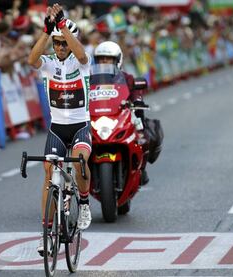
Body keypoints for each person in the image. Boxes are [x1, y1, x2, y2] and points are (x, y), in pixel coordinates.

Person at [27, 3, 92, 256]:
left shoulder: (82, 61)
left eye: (64, 43)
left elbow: (82, 55)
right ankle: (46, 234)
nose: (60, 47)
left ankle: (84, 202)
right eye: (57, 43)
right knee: (48, 177)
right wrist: (47, 31)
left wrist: (64, 28)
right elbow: (32, 59)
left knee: (79, 162)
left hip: (80, 126)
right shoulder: (48, 63)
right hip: (57, 128)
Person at [93, 40, 150, 185]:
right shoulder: (89, 78)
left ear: (118, 60)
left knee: (143, 134)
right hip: (98, 116)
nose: (104, 61)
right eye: (101, 59)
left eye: (108, 58)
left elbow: (136, 91)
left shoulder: (126, 78)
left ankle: (141, 168)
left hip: (121, 115)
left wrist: (137, 101)